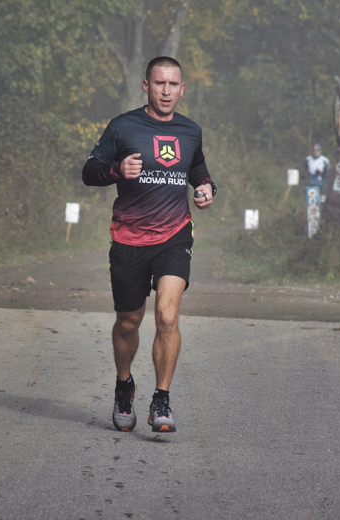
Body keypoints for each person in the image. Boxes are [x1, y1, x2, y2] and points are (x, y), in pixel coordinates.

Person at [82, 56, 216, 433]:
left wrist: (206, 188)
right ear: (146, 85)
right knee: (129, 321)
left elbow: (198, 168)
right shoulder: (123, 126)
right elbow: (89, 171)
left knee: (168, 316)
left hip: (175, 234)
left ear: (183, 88)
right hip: (129, 237)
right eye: (160, 84)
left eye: (173, 84)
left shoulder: (190, 131)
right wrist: (115, 170)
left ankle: (162, 399)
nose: (167, 91)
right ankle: (125, 385)